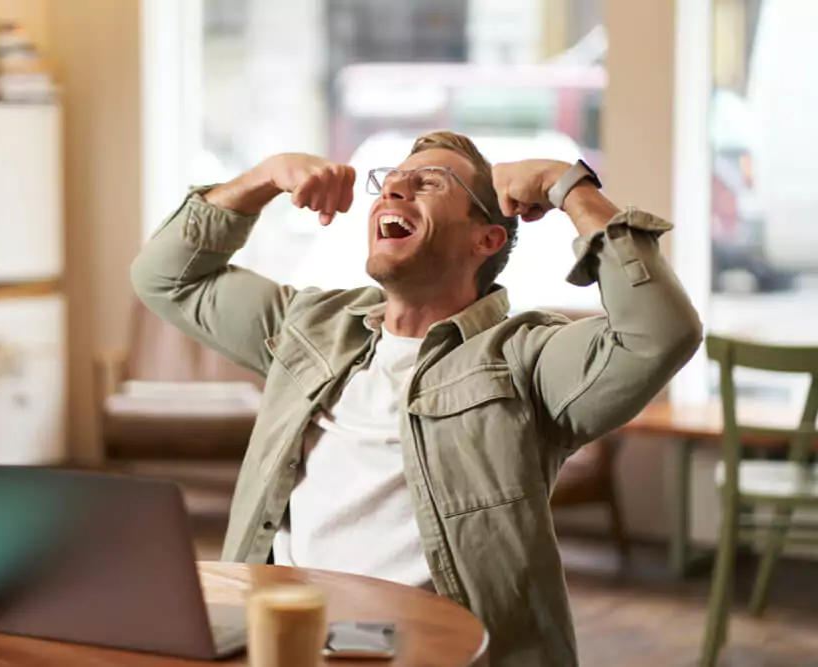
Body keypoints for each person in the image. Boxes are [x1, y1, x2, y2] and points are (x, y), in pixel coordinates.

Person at [130, 131, 702, 667]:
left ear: (487, 238)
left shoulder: (525, 358)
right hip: (291, 635)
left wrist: (569, 186)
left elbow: (660, 332)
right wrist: (261, 178)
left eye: (429, 183)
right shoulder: (310, 325)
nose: (395, 190)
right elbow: (166, 278)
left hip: (433, 648)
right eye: (392, 181)